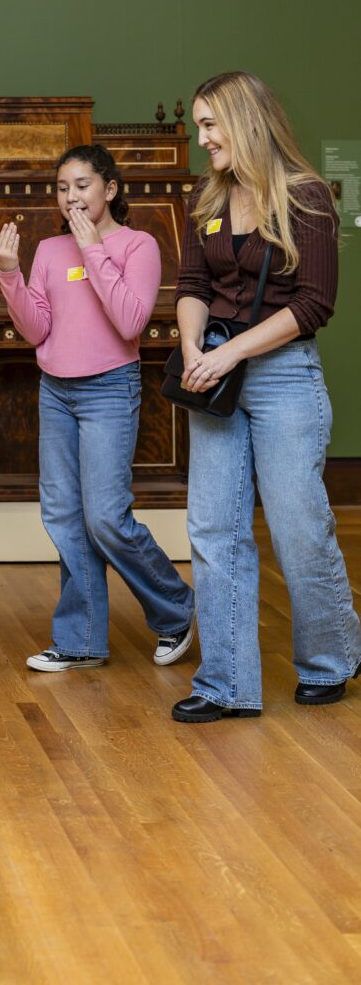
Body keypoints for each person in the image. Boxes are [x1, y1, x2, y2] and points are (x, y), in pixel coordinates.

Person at [172, 71, 361, 723]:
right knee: (213, 528)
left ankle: (331, 658)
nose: (203, 139)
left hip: (283, 376)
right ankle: (225, 685)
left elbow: (314, 304)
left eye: (209, 125)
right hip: (214, 374)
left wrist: (230, 353)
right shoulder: (207, 196)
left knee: (297, 527)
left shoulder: (306, 197)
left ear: (244, 121)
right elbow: (192, 284)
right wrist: (194, 349)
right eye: (199, 126)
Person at [0, 144, 195, 672]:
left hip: (109, 389)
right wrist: (10, 274)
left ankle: (177, 608)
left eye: (82, 185)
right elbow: (36, 329)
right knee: (63, 515)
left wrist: (93, 250)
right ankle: (80, 639)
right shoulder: (49, 250)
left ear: (111, 188)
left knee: (105, 517)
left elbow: (130, 322)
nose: (71, 197)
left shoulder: (138, 245)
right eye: (62, 188)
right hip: (55, 390)